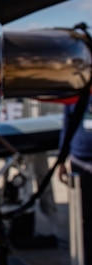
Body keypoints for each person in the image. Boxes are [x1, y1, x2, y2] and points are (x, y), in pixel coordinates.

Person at [59, 98, 92, 265]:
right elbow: (67, 125)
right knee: (83, 217)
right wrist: (61, 161)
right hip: (79, 162)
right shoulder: (76, 98)